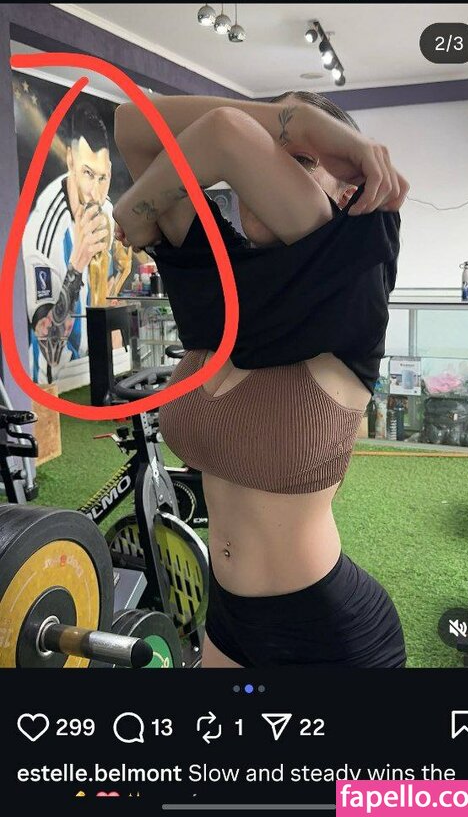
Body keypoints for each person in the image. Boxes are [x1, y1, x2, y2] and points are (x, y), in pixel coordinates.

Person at [113, 89, 409, 668]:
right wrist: (297, 125)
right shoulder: (211, 274)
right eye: (273, 150)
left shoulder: (349, 279)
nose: (263, 172)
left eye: (300, 159)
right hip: (226, 616)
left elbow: (225, 133)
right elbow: (131, 123)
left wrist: (298, 122)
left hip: (328, 635)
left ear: (345, 190)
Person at [23, 101, 132, 385]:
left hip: (97, 366)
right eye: (87, 174)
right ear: (70, 160)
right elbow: (49, 348)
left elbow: (106, 290)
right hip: (55, 383)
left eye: (103, 177)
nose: (96, 192)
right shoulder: (42, 233)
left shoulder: (105, 210)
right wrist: (77, 265)